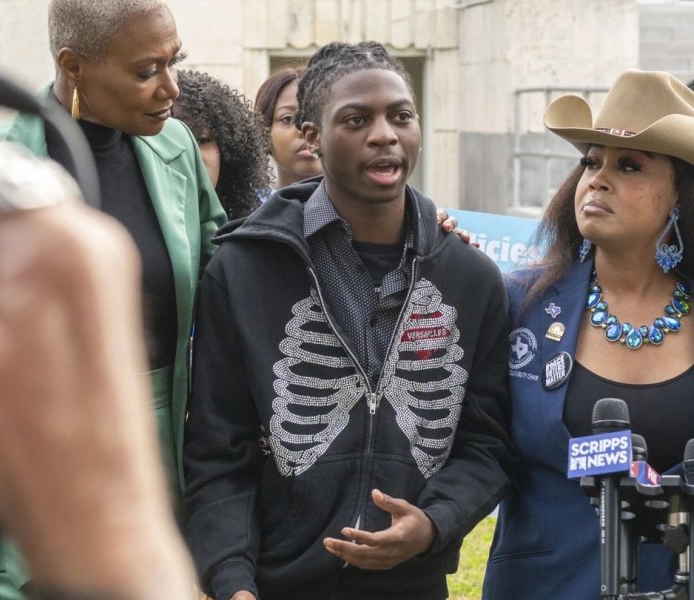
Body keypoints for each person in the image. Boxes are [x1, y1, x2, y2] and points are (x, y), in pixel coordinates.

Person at [184, 41, 515, 600]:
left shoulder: (471, 279)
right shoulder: (242, 271)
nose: (384, 134)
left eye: (401, 116)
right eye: (356, 120)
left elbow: (488, 441)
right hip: (272, 585)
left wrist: (435, 523)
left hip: (412, 585)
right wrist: (230, 580)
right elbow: (219, 452)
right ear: (311, 136)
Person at [0, 0, 226, 597]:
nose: (171, 88)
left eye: (175, 63)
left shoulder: (178, 150)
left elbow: (229, 268)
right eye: (146, 71)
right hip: (32, 457)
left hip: (157, 448)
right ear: (73, 66)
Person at [482, 69, 694, 599]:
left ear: (678, 197)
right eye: (590, 162)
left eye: (628, 165)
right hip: (546, 586)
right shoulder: (517, 303)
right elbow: (471, 444)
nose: (598, 179)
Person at [171, 69, 270, 219]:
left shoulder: (251, 234)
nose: (193, 154)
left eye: (203, 140)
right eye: (175, 139)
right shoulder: (128, 234)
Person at [254, 65, 323, 191]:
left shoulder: (364, 206)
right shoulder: (249, 209)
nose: (306, 130)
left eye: (318, 117)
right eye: (288, 119)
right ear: (264, 131)